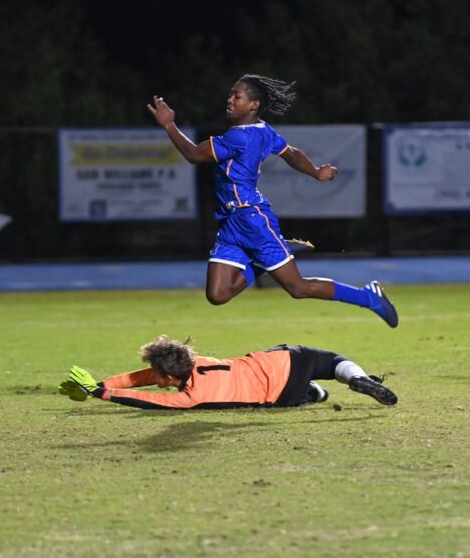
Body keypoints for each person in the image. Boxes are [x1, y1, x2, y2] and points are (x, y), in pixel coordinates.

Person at [146, 74, 398, 327]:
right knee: (218, 294)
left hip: (252, 220)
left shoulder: (240, 138)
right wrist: (315, 172)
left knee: (298, 288)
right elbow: (291, 154)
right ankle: (264, 261)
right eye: (231, 94)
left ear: (253, 105)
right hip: (231, 222)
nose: (230, 99)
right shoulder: (263, 131)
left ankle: (368, 297)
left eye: (237, 95)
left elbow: (193, 154)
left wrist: (169, 125)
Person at [59, 334, 398, 409]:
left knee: (313, 394)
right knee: (335, 361)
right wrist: (100, 384)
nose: (153, 377)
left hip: (280, 392)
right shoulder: (199, 361)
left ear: (171, 378)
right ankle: (357, 378)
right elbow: (146, 378)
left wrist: (103, 392)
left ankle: (317, 391)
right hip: (284, 357)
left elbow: (146, 397)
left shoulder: (194, 396)